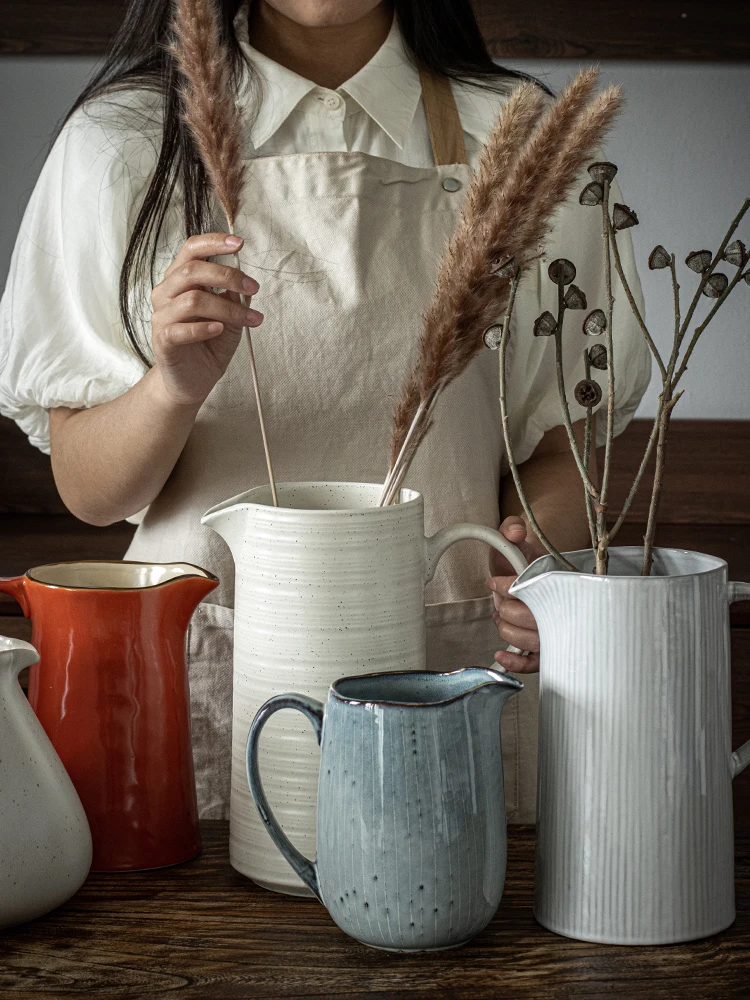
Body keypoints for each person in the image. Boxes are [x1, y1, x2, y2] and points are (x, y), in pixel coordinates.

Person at [0, 0, 650, 823]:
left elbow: (560, 447)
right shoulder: (118, 143)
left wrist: (547, 573)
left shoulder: (526, 140)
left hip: (446, 670)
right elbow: (92, 493)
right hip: (200, 683)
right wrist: (170, 385)